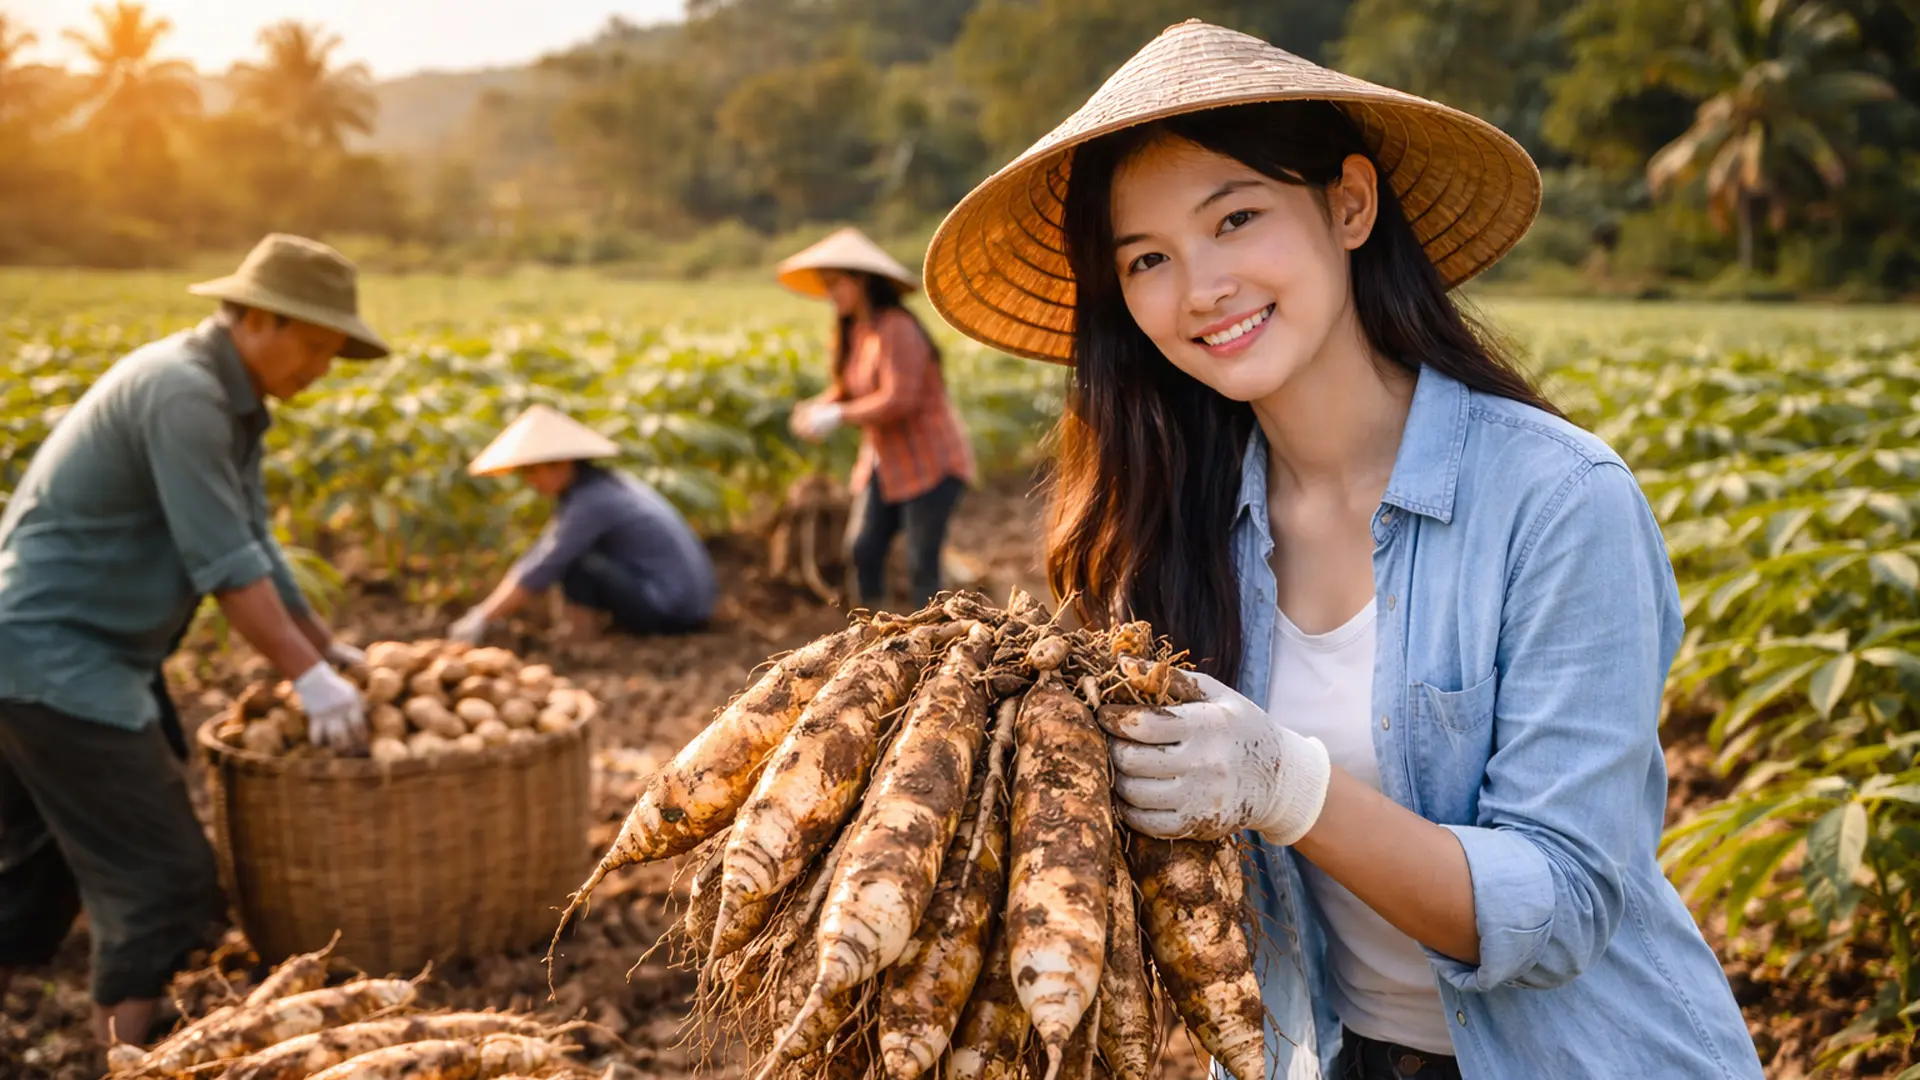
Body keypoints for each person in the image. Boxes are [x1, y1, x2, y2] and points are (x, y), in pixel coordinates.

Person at [921, 21, 1765, 1080]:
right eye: (1148, 259)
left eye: (1236, 219)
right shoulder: (1173, 536)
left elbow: (1562, 908)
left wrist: (1293, 789)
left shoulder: (1557, 501)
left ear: (1350, 205)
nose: (1201, 288)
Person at [0, 233, 380, 1049]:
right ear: (258, 319)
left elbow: (256, 544)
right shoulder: (186, 395)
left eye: (332, 354)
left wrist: (326, 650)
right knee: (162, 876)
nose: (321, 368)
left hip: (52, 656)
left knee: (35, 867)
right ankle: (128, 1062)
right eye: (315, 346)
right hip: (58, 660)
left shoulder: (227, 398)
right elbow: (225, 567)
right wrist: (306, 677)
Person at [777, 227, 976, 611]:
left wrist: (838, 415)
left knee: (921, 564)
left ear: (862, 281)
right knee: (862, 548)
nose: (831, 294)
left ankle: (937, 636)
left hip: (930, 465)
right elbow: (848, 387)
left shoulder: (898, 328)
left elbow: (899, 399)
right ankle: (870, 630)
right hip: (884, 463)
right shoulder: (857, 330)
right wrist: (818, 406)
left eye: (836, 284)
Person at [448, 404, 718, 645]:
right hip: (687, 604)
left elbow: (543, 564)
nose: (530, 481)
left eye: (533, 471)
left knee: (577, 563)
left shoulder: (592, 501)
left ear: (562, 464)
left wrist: (482, 616)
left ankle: (580, 641)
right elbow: (540, 552)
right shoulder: (603, 487)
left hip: (670, 609)